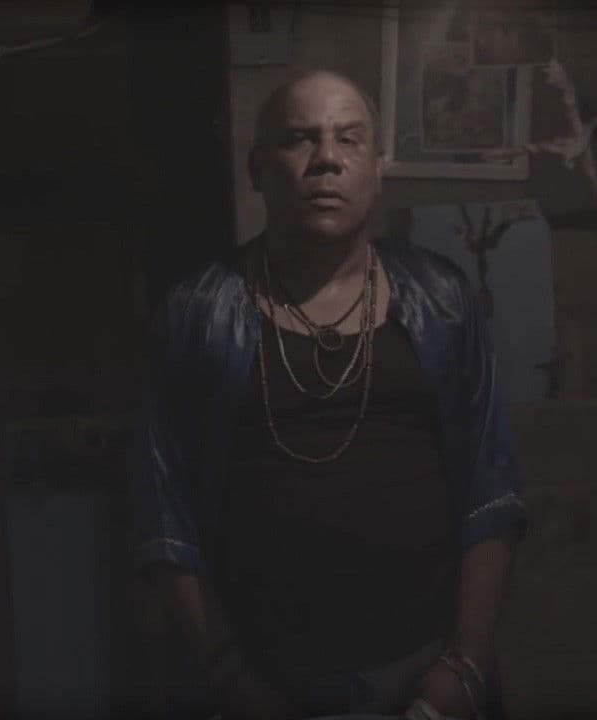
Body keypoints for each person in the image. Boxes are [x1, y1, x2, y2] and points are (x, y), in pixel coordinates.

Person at [130, 69, 526, 720]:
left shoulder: (442, 298)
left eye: (348, 138)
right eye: (300, 139)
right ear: (258, 168)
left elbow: (493, 489)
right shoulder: (199, 310)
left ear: (377, 166)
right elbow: (163, 508)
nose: (326, 160)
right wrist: (230, 678)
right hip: (269, 683)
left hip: (424, 671)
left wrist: (464, 669)